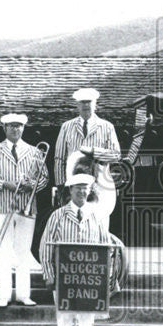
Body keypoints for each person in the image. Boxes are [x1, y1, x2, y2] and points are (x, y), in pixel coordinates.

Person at [40, 173, 111, 326]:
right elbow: (45, 247)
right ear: (70, 191)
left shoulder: (97, 216)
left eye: (85, 188)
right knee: (63, 324)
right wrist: (49, 275)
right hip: (64, 281)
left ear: (90, 191)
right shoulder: (58, 216)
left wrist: (105, 279)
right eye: (77, 188)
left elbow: (106, 248)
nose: (81, 192)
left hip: (89, 282)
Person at [0, 113, 50, 307]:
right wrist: (5, 184)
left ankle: (23, 295)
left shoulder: (35, 152)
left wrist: (32, 184)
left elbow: (44, 178)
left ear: (23, 128)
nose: (15, 129)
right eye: (11, 126)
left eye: (19, 126)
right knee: (2, 252)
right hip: (2, 208)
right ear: (4, 129)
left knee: (23, 252)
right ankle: (4, 295)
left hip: (27, 209)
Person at [54, 88, 121, 229]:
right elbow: (59, 159)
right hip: (74, 186)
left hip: (100, 186)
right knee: (73, 225)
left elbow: (116, 155)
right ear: (77, 105)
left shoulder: (107, 127)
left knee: (99, 224)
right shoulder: (66, 127)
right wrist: (61, 186)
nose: (86, 105)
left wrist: (93, 151)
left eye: (89, 102)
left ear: (95, 104)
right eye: (82, 102)